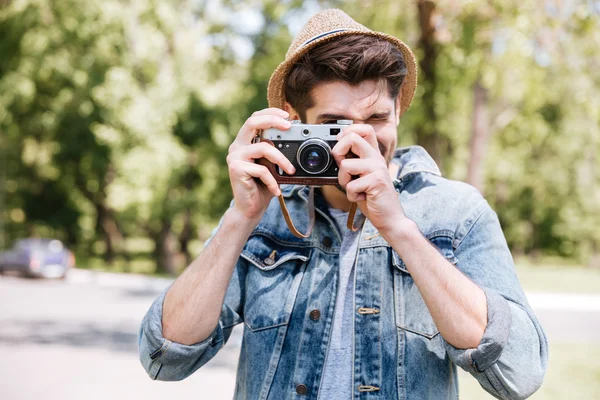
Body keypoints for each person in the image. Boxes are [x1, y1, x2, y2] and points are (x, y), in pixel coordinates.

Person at [138, 9, 548, 399]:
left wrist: (399, 229)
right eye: (335, 126)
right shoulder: (260, 217)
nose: (358, 141)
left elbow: (520, 373)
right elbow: (165, 356)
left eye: (375, 120)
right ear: (290, 120)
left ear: (399, 110)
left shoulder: (456, 213)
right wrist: (239, 218)